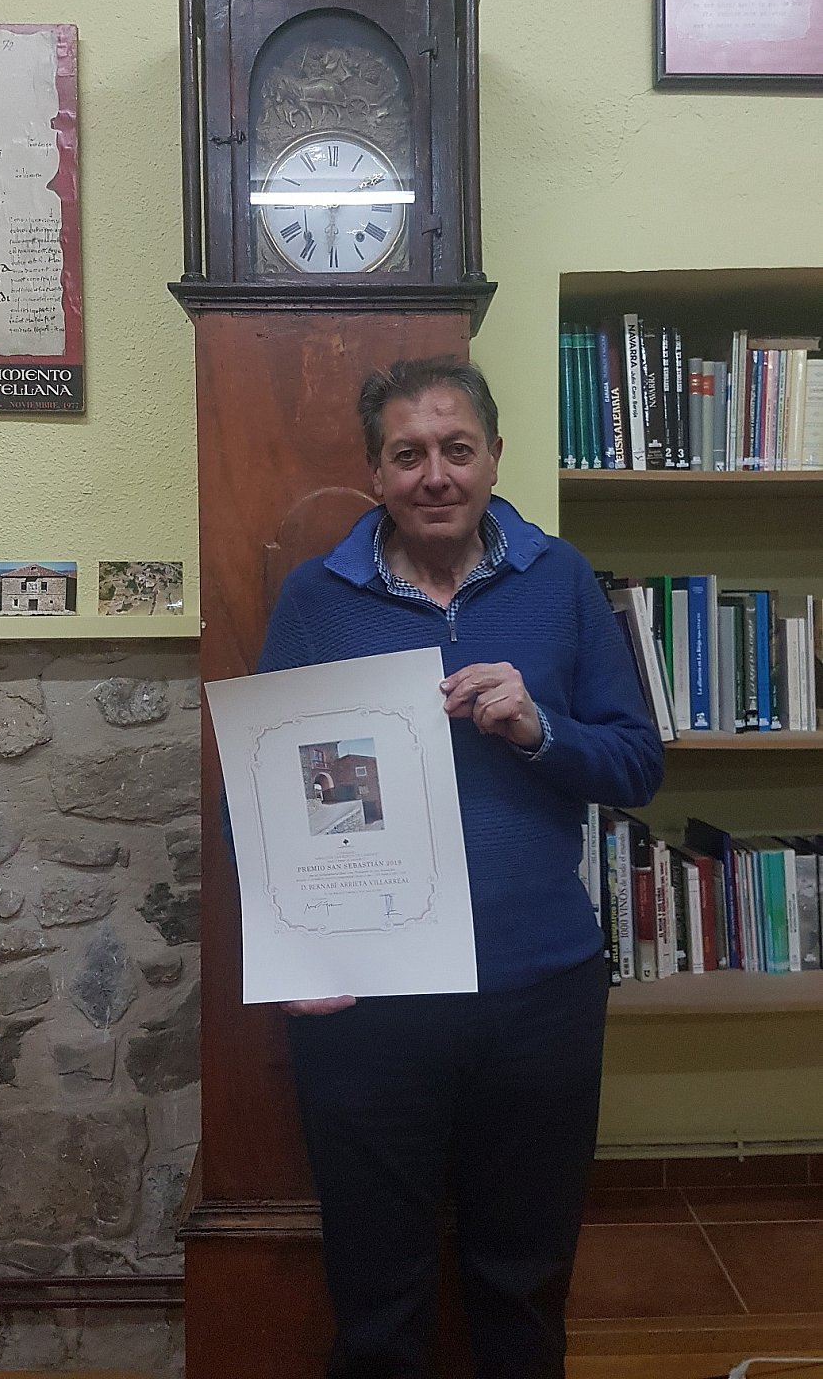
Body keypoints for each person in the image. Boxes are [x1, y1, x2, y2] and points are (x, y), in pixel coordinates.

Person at [256, 355, 664, 1379]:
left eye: (456, 449)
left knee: (523, 1275)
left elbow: (636, 764)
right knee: (376, 1286)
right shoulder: (315, 598)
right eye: (407, 455)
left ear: (493, 458)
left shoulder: (560, 581)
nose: (434, 474)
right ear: (375, 473)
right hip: (372, 1002)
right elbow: (262, 789)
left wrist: (539, 728)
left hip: (539, 991)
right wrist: (298, 953)